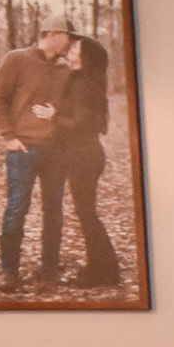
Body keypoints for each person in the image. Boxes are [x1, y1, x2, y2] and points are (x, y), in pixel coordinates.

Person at [0, 16, 72, 287]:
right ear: (55, 34)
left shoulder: (65, 70)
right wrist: (9, 137)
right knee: (16, 208)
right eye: (68, 37)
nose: (70, 43)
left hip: (56, 150)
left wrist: (57, 114)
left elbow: (74, 109)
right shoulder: (17, 59)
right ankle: (9, 271)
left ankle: (49, 269)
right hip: (22, 149)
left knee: (54, 210)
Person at [36, 34, 119, 287]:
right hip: (85, 154)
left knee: (87, 215)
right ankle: (103, 269)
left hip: (84, 156)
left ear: (86, 58)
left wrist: (53, 117)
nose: (70, 51)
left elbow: (80, 123)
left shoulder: (82, 82)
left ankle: (103, 272)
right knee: (87, 214)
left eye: (75, 49)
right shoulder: (85, 81)